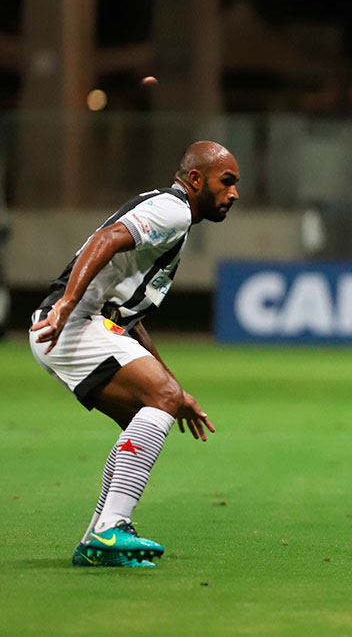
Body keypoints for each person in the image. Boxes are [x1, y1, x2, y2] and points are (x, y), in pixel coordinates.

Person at [29, 141, 240, 567]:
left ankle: (96, 539)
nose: (234, 193)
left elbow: (129, 318)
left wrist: (174, 386)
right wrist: (68, 304)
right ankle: (112, 529)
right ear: (196, 179)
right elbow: (105, 239)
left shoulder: (168, 214)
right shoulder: (174, 209)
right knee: (158, 400)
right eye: (227, 182)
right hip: (72, 323)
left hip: (89, 323)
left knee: (149, 412)